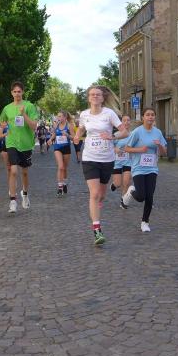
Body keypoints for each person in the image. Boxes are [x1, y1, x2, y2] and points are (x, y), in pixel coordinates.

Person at [73, 86, 128, 245]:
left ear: (103, 98)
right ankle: (97, 230)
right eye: (92, 94)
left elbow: (124, 132)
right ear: (88, 98)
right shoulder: (84, 115)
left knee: (101, 195)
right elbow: (81, 129)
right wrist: (77, 136)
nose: (95, 96)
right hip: (90, 158)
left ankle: (96, 206)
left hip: (107, 159)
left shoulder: (109, 114)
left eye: (98, 94)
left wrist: (112, 136)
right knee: (95, 193)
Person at [121, 107, 166, 232]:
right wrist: (140, 149)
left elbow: (164, 152)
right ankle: (131, 191)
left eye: (152, 115)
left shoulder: (158, 132)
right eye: (148, 115)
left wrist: (159, 145)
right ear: (143, 117)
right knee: (141, 196)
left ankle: (145, 222)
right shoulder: (137, 132)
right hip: (138, 168)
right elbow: (126, 148)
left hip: (152, 168)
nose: (150, 117)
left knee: (149, 196)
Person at [0, 81, 39, 213]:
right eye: (14, 92)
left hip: (26, 144)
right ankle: (13, 201)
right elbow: (2, 122)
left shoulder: (29, 106)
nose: (17, 94)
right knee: (13, 171)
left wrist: (24, 114)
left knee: (24, 173)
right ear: (11, 93)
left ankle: (25, 194)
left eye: (19, 91)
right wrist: (2, 130)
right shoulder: (7, 108)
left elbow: (34, 126)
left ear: (23, 92)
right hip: (12, 143)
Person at [48, 111, 74, 196]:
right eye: (58, 116)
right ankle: (60, 187)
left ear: (65, 117)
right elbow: (54, 134)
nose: (58, 118)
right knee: (60, 167)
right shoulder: (56, 125)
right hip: (57, 148)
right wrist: (50, 139)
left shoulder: (69, 125)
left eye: (60, 116)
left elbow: (74, 138)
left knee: (65, 168)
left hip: (66, 148)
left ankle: (64, 183)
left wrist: (67, 135)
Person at [111, 115, 133, 208]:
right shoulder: (117, 134)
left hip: (129, 161)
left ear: (130, 122)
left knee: (126, 182)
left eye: (128, 120)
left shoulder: (133, 134)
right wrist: (115, 149)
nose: (126, 122)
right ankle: (114, 184)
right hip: (117, 162)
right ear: (121, 122)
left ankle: (123, 200)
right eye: (124, 120)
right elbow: (109, 146)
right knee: (118, 183)